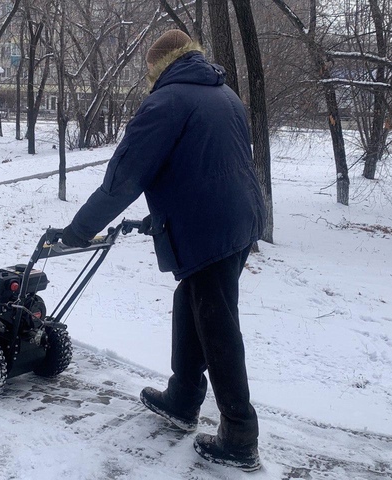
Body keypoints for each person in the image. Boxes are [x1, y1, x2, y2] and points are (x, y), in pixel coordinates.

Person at [61, 29, 265, 472]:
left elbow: (124, 178)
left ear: (159, 67)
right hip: (240, 217)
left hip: (212, 226)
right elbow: (205, 162)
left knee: (216, 320)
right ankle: (183, 396)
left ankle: (240, 432)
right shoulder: (224, 93)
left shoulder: (165, 103)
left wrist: (79, 231)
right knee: (192, 299)